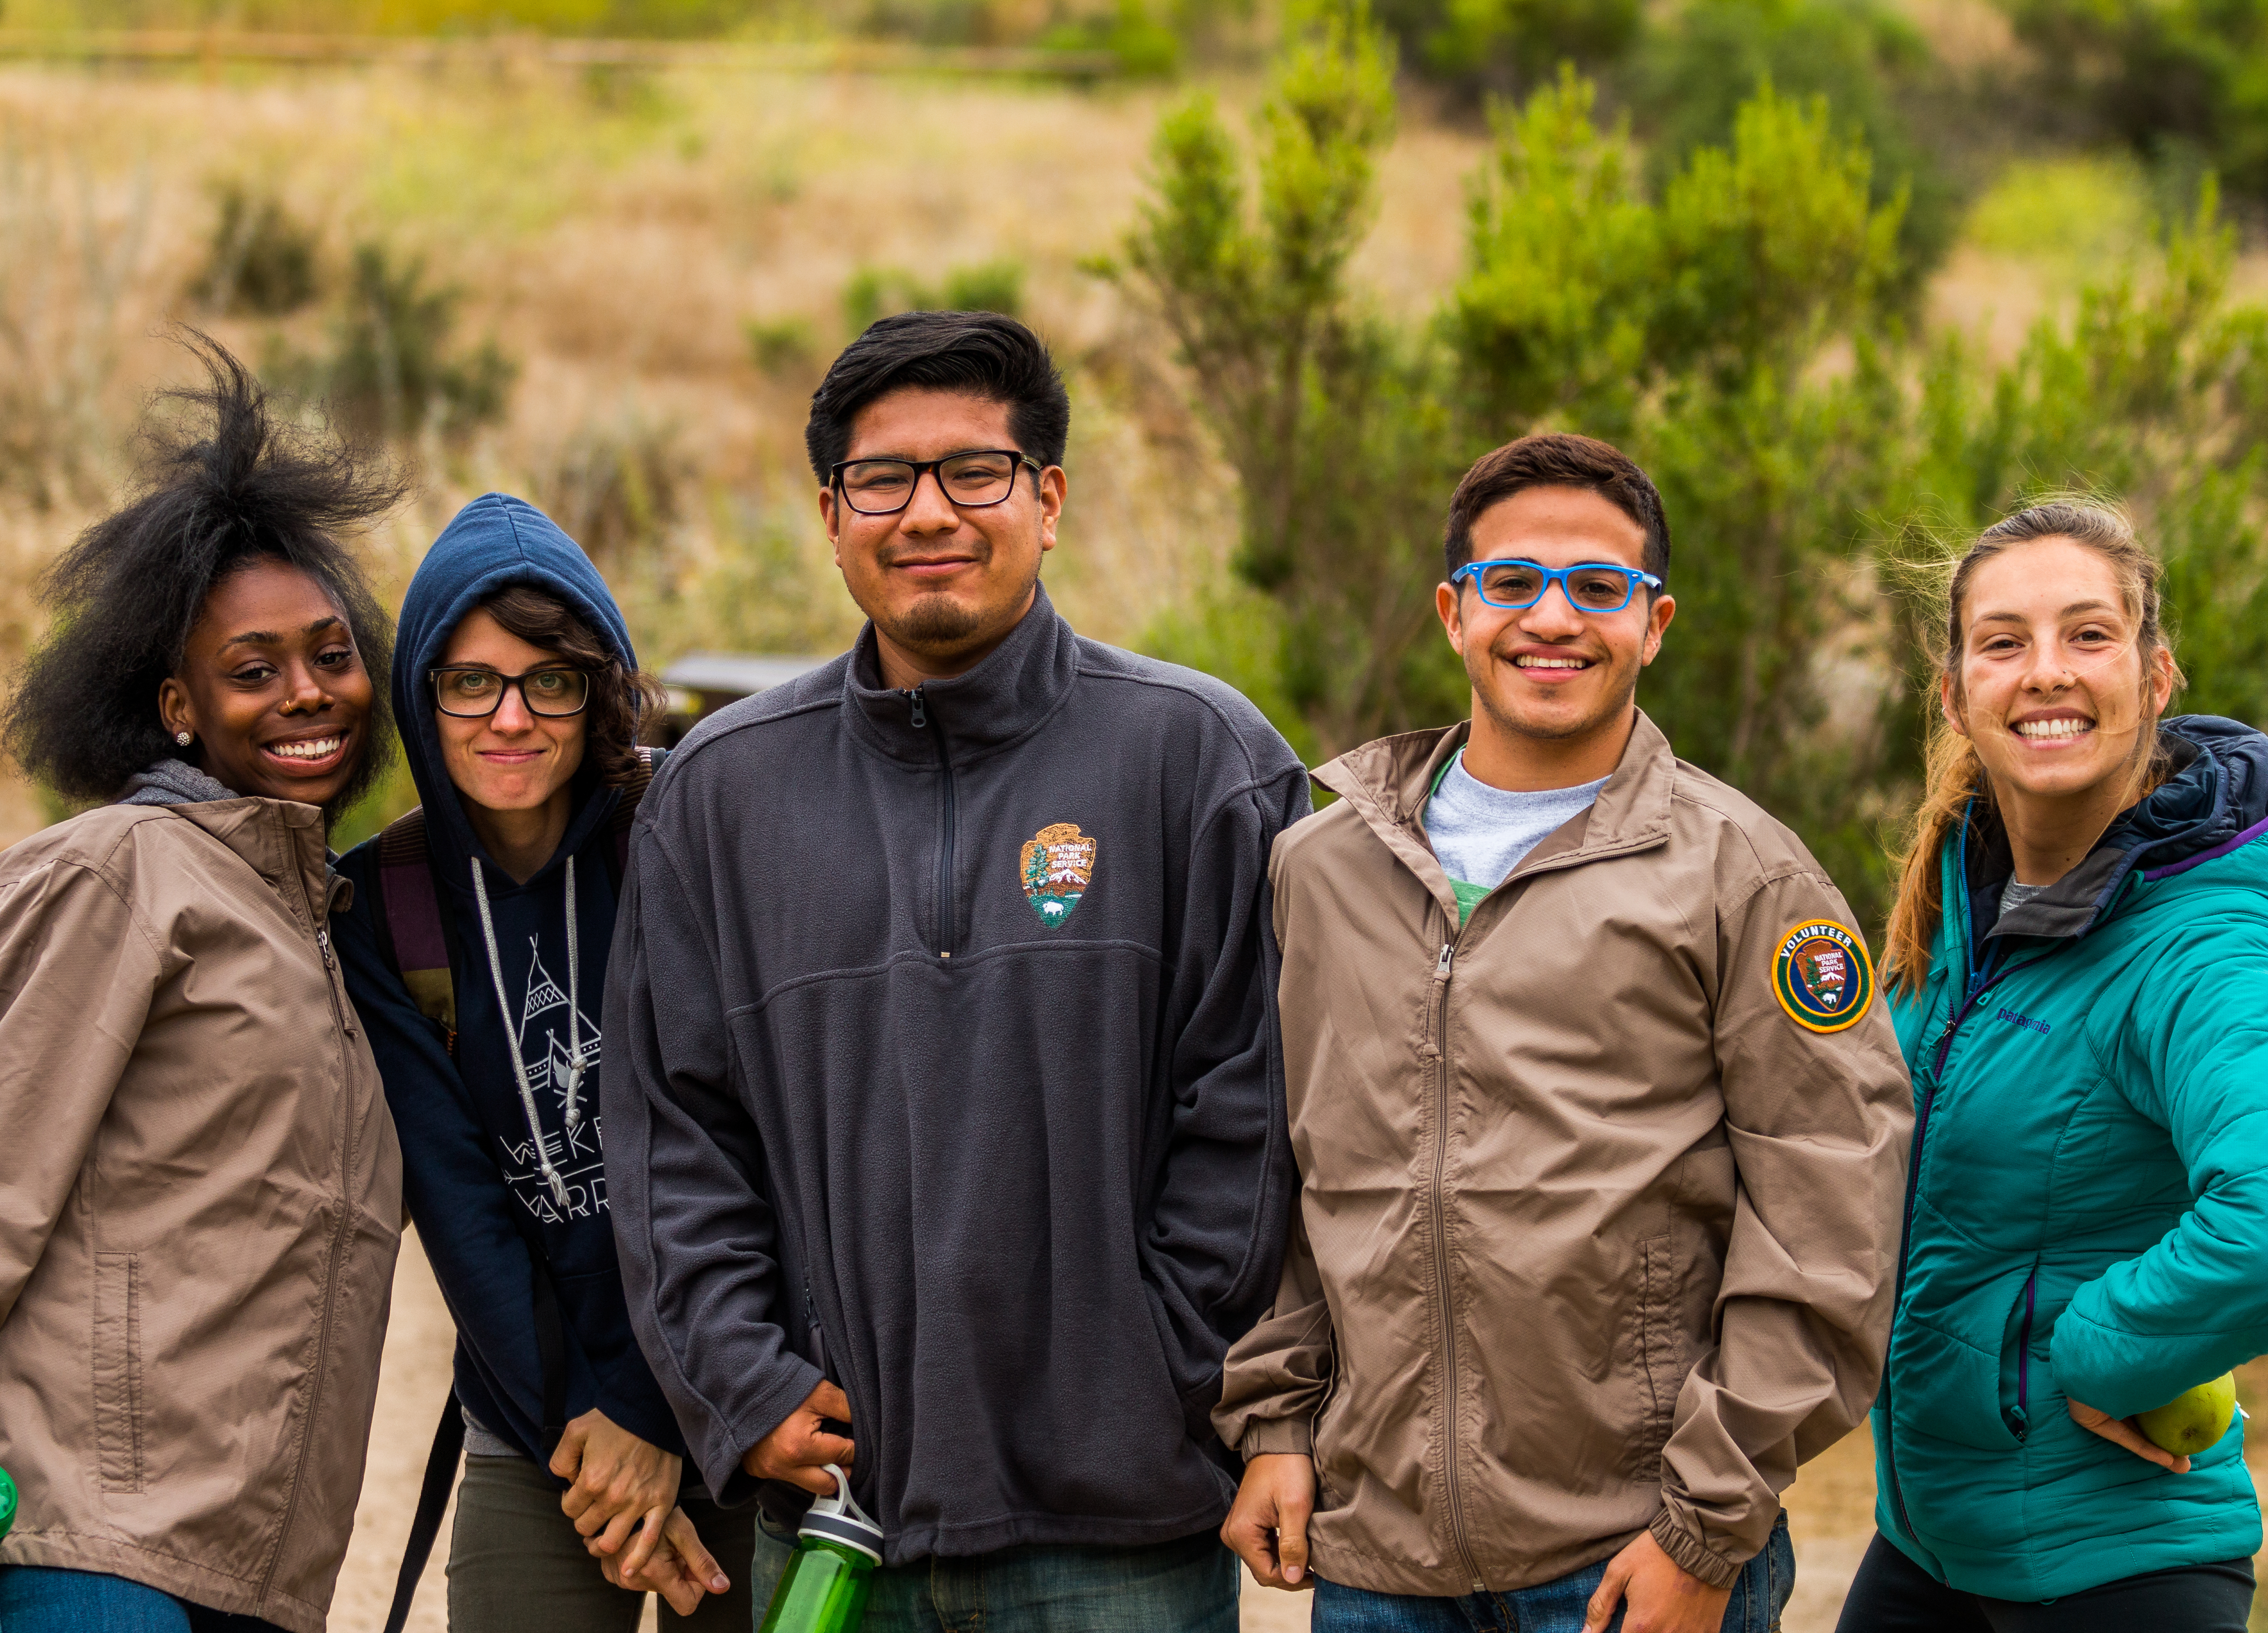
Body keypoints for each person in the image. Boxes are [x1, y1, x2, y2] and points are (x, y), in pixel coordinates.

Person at [599, 310, 1310, 1633]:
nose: (929, 511)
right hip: (839, 1528)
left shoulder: (1202, 763)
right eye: (886, 478)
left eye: (974, 472)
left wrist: (1154, 1376)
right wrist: (742, 1384)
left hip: (1121, 1541)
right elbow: (668, 1133)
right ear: (831, 513)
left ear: (1049, 500)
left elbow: (1259, 1117)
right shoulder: (720, 797)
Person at [1215, 432, 1914, 1633]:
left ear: (1657, 622)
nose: (1553, 618)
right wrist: (1276, 1420)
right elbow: (1287, 1173)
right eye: (1513, 583)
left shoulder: (1743, 873)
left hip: (1630, 1555)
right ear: (1452, 611)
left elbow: (1829, 1211)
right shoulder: (1320, 868)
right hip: (1378, 1563)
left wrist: (1705, 1526)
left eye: (1600, 588)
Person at [0, 340, 407, 1633]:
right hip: (87, 1553)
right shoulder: (119, 871)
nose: (307, 694)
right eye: (253, 671)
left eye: (330, 654)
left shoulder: (319, 922)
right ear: (179, 707)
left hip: (254, 1574)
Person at [1833, 500, 2268, 1632]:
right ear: (1955, 692)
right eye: (2004, 642)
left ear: (2156, 676)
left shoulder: (2200, 947)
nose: (2047, 674)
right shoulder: (1965, 904)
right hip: (1930, 1544)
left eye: (2088, 635)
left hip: (2118, 1570)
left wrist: (2090, 1358)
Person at [331, 493, 745, 1630]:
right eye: (470, 681)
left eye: (548, 680)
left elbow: (761, 1148)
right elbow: (461, 1208)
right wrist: (597, 1441)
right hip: (542, 1418)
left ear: (597, 686)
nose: (509, 717)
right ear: (422, 695)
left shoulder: (685, 835)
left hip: (743, 1388)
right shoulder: (384, 907)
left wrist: (663, 1415)